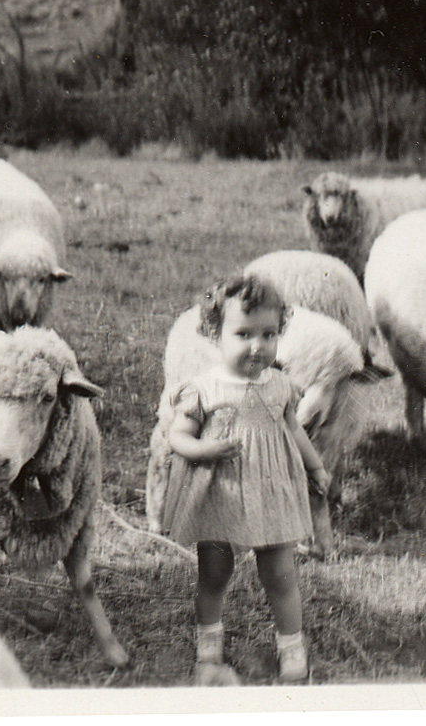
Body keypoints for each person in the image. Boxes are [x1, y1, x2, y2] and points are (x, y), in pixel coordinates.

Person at [163, 274, 332, 685]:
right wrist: (205, 450)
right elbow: (177, 436)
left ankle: (292, 645)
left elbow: (294, 430)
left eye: (268, 334)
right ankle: (209, 647)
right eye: (243, 334)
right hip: (221, 493)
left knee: (280, 573)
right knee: (215, 572)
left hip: (271, 490)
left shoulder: (279, 385)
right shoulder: (204, 389)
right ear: (214, 333)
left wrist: (315, 467)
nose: (258, 346)